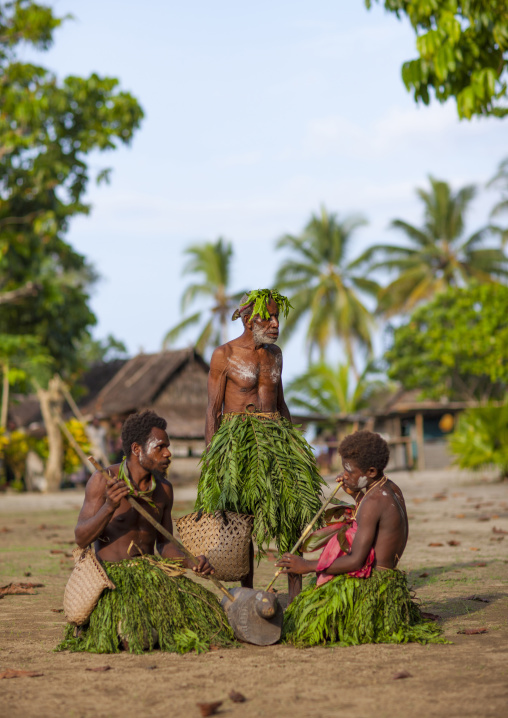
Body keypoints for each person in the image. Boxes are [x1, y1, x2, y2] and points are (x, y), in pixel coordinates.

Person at [59, 410, 234, 654]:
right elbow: (81, 537)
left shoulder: (163, 489)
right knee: (137, 638)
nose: (168, 453)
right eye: (160, 447)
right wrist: (109, 506)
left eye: (168, 446)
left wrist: (190, 560)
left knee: (206, 619)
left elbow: (164, 544)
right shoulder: (103, 480)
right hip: (112, 579)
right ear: (136, 449)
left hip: (150, 572)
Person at [196, 289, 324, 602]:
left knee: (291, 515)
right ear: (248, 319)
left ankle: (296, 598)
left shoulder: (275, 354)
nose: (276, 324)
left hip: (276, 439)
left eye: (278, 316)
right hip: (237, 442)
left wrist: (295, 446)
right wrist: (214, 458)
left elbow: (281, 403)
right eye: (268, 317)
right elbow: (213, 411)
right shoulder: (224, 355)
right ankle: (247, 597)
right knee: (242, 522)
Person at [276, 430, 445, 646]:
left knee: (301, 625)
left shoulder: (373, 502)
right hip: (389, 579)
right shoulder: (389, 487)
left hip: (373, 586)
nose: (344, 475)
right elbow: (378, 522)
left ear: (371, 471)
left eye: (349, 470)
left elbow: (356, 561)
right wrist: (356, 495)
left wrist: (307, 565)